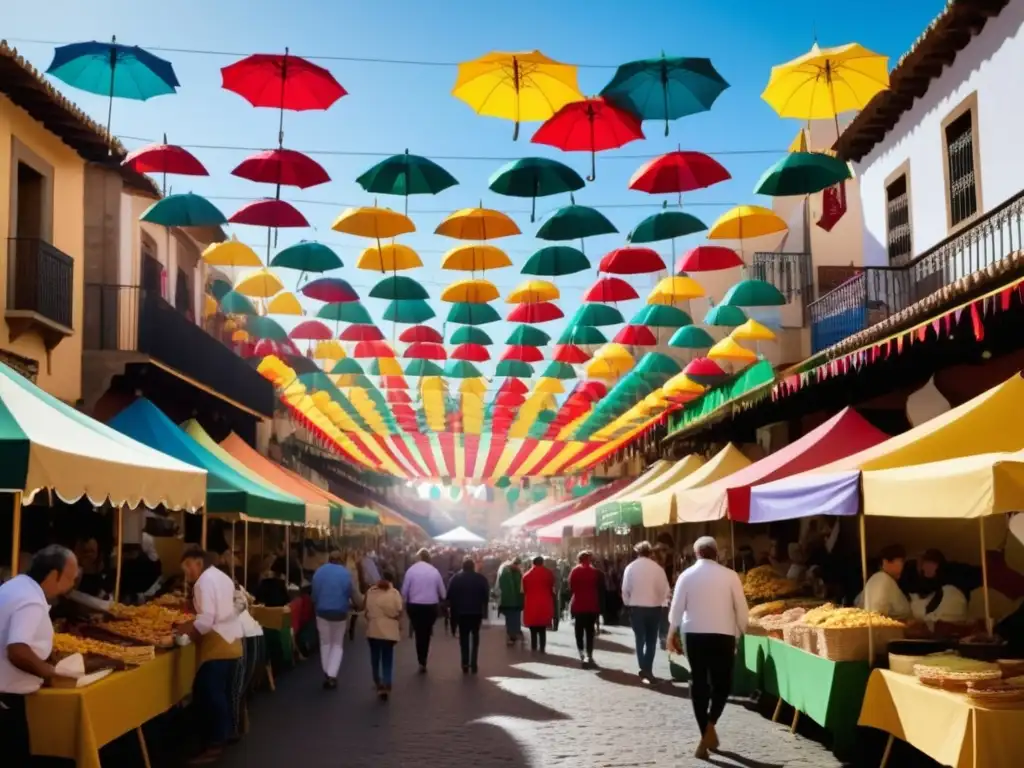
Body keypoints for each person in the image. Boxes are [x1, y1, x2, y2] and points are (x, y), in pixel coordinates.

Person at [668, 536, 748, 760]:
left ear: (696, 554)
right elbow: (741, 607)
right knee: (722, 683)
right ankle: (710, 725)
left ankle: (706, 732)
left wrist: (671, 633)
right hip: (723, 634)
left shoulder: (686, 575)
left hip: (694, 633)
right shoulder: (731, 575)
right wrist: (742, 630)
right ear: (717, 554)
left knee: (699, 682)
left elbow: (676, 608)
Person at [0, 546, 79, 764]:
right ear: (54, 575)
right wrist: (51, 673)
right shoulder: (31, 601)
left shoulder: (17, 585)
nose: (71, 586)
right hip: (6, 701)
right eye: (70, 578)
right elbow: (17, 649)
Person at [175, 549, 244, 764]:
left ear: (198, 562)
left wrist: (185, 633)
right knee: (219, 693)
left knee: (209, 694)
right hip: (232, 642)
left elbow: (206, 620)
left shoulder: (203, 582)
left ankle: (214, 744)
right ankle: (226, 733)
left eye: (187, 565)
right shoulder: (220, 576)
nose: (186, 572)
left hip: (217, 648)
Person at [622, 541, 672, 683]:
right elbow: (666, 590)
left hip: (636, 607)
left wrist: (627, 603)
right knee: (651, 640)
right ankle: (647, 669)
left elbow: (625, 589)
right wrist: (661, 602)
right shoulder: (658, 569)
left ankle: (644, 667)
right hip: (654, 608)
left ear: (637, 552)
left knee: (640, 639)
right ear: (650, 553)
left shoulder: (630, 568)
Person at [310, 551, 357, 689]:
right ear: (341, 560)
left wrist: (317, 604)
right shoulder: (345, 573)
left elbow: (314, 594)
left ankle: (327, 671)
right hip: (340, 612)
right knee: (337, 644)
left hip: (322, 612)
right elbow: (351, 592)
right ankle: (332, 674)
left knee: (325, 643)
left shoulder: (318, 572)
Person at [400, 548, 446, 672]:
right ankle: (423, 657)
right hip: (430, 606)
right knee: (425, 632)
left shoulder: (411, 571)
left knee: (419, 632)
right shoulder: (435, 572)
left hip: (414, 605)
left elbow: (404, 591)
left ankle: (421, 659)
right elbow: (443, 593)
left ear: (418, 558)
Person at [231, 584, 265, 740]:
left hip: (250, 637)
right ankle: (237, 723)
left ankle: (235, 727)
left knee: (240, 684)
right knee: (239, 685)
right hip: (243, 637)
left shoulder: (234, 594)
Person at [446, 557, 490, 673]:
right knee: (475, 638)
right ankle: (474, 663)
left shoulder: (455, 578)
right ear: (473, 567)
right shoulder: (481, 579)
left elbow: (449, 595)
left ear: (463, 567)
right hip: (476, 612)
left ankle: (465, 663)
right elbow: (486, 596)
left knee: (464, 638)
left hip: (461, 613)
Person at [364, 570, 403, 700]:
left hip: (373, 629)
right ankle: (387, 681)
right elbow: (398, 610)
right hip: (389, 631)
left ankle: (377, 681)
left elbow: (366, 610)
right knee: (387, 657)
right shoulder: (394, 593)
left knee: (375, 657)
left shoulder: (370, 592)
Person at [856, 544, 912, 620]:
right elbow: (876, 615)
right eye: (900, 562)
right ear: (886, 562)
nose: (902, 566)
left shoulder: (888, 580)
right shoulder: (881, 579)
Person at [568, 551, 601, 668]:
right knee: (590, 631)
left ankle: (581, 652)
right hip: (592, 604)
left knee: (579, 630)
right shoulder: (595, 572)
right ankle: (589, 654)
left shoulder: (575, 571)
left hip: (579, 605)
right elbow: (600, 588)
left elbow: (571, 587)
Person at [522, 556, 556, 654]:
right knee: (542, 628)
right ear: (542, 563)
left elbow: (524, 590)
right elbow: (551, 586)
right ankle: (542, 647)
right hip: (545, 603)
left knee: (533, 628)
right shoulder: (549, 574)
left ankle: (533, 646)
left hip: (531, 603)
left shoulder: (527, 575)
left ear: (533, 563)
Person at [498, 557, 524, 647]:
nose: (517, 566)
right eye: (516, 565)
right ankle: (512, 636)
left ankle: (514, 634)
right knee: (511, 619)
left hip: (514, 601)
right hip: (510, 601)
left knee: (513, 618)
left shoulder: (515, 573)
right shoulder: (506, 573)